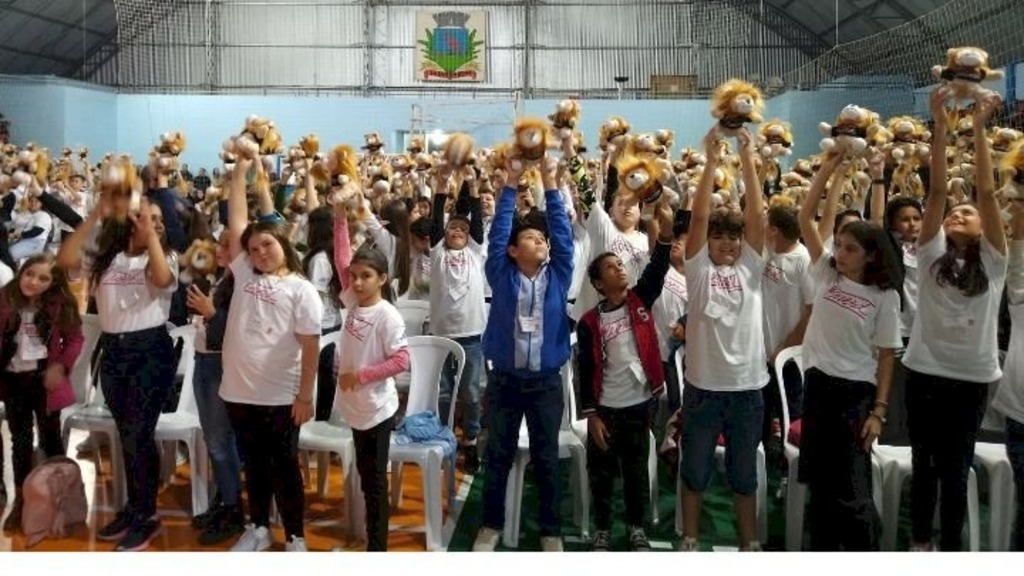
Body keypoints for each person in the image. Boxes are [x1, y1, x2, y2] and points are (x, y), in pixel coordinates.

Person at [902, 87, 1007, 552]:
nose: (957, 213)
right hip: (924, 370)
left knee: (956, 463)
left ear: (986, 225)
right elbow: (939, 190)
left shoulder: (996, 261)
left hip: (971, 378)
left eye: (968, 214)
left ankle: (950, 549)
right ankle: (921, 544)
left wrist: (980, 125)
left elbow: (985, 191)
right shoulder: (928, 256)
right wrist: (940, 126)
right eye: (953, 214)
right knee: (923, 462)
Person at [57, 158, 179, 552]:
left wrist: (153, 237)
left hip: (150, 351)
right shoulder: (109, 256)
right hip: (114, 353)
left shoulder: (163, 257)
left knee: (139, 434)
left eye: (158, 219)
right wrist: (97, 211)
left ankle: (146, 514)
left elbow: (161, 281)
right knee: (128, 435)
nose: (152, 221)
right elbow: (67, 258)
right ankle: (135, 507)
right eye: (146, 216)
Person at [797, 153, 904, 550]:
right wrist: (828, 167)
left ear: (871, 254)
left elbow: (887, 356)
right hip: (818, 387)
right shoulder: (826, 272)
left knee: (853, 489)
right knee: (821, 487)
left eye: (850, 249)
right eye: (838, 246)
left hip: (855, 395)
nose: (839, 254)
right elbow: (806, 217)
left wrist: (878, 411)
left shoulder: (884, 297)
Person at [218, 156, 322, 553]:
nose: (260, 252)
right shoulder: (243, 274)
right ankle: (259, 527)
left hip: (280, 395)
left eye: (268, 245)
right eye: (254, 247)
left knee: (285, 469)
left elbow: (310, 346)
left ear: (284, 244)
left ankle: (295, 535)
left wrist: (305, 396)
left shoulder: (301, 289)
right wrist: (240, 175)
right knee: (254, 466)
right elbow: (237, 224)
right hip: (238, 391)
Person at [473, 153, 573, 552]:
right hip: (506, 381)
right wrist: (510, 182)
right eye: (532, 238)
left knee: (547, 459)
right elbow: (498, 233)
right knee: (497, 455)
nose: (542, 242)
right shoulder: (501, 274)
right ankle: (490, 525)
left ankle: (551, 531)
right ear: (515, 251)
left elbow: (563, 235)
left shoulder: (559, 275)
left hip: (546, 383)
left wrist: (550, 181)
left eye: (542, 239)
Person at [679, 126, 766, 552]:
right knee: (694, 470)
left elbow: (756, 217)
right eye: (719, 236)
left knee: (744, 475)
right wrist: (711, 159)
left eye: (733, 236)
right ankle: (690, 538)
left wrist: (747, 157)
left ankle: (750, 543)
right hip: (703, 389)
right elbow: (696, 217)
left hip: (747, 389)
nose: (728, 242)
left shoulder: (751, 267)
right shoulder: (697, 272)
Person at [576, 195, 675, 551]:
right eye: (610, 267)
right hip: (605, 409)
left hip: (637, 405)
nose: (620, 268)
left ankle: (636, 527)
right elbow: (584, 368)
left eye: (621, 264)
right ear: (599, 284)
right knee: (601, 474)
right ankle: (602, 528)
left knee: (634, 471)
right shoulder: (590, 322)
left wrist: (663, 233)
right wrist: (590, 414)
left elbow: (658, 267)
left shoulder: (640, 300)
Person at [333, 191, 409, 552]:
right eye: (354, 277)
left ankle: (377, 548)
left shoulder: (386, 315)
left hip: (377, 410)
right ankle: (369, 536)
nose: (358, 282)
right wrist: (339, 216)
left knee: (375, 481)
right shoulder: (352, 300)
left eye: (366, 276)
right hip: (356, 408)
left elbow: (402, 361)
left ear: (382, 278)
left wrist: (359, 376)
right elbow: (341, 256)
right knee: (365, 478)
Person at [0, 253, 83, 533]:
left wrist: (60, 366)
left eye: (43, 278)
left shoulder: (59, 306)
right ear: (20, 272)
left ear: (53, 282)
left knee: (51, 441)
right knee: (20, 443)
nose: (33, 282)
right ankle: (23, 504)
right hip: (13, 381)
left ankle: (60, 502)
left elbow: (75, 339)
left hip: (45, 383)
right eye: (29, 274)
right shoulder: (5, 299)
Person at [183, 232, 245, 545]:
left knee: (221, 441)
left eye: (226, 246)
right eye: (219, 244)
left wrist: (210, 313)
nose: (219, 250)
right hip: (204, 359)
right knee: (216, 440)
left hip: (219, 364)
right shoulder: (221, 279)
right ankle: (225, 501)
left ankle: (233, 509)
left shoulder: (243, 284)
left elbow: (233, 332)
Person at [429, 167, 487, 473]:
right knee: (443, 391)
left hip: (471, 335)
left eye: (461, 231)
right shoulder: (437, 252)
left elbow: (477, 222)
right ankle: (444, 436)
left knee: (471, 392)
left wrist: (473, 186)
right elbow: (435, 221)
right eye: (451, 229)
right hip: (441, 335)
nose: (455, 233)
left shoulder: (476, 252)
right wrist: (440, 186)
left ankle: (471, 441)